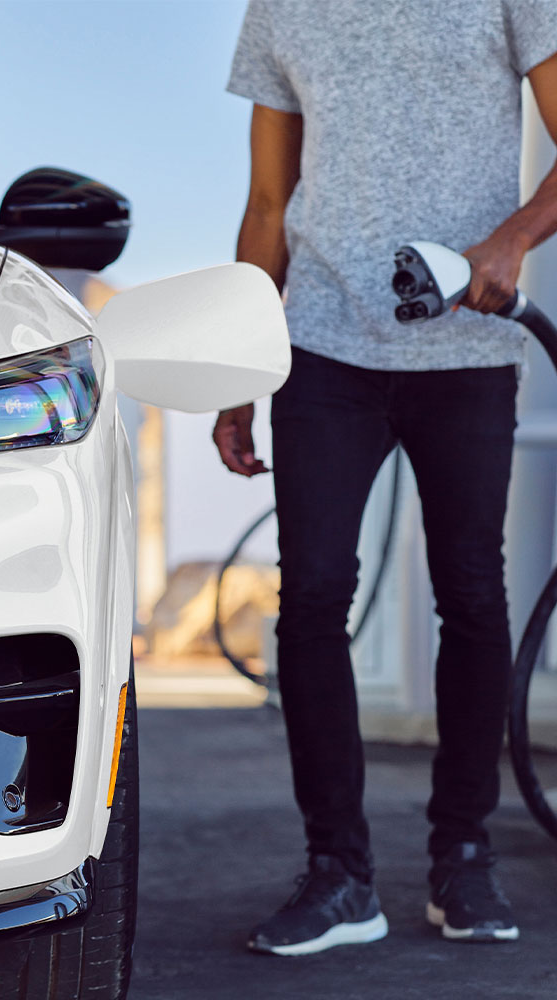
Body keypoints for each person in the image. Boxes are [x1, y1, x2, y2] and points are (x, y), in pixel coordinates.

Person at [215, 0, 557, 955]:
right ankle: (339, 876)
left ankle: (464, 856)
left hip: (468, 346)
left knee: (473, 598)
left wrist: (513, 239)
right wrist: (240, 370)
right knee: (314, 596)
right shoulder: (281, 9)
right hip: (323, 347)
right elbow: (270, 204)